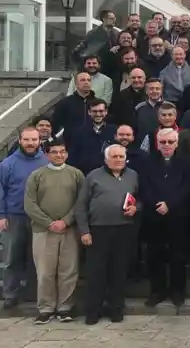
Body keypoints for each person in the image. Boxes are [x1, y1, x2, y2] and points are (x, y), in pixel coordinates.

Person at [75, 144, 140, 324]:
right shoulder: (93, 176)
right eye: (114, 157)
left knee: (118, 272)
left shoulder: (133, 175)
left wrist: (136, 208)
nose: (118, 160)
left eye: (121, 156)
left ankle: (116, 310)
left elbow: (140, 200)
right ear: (106, 159)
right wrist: (84, 231)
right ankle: (92, 312)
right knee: (96, 273)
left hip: (123, 229)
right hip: (98, 230)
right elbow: (81, 206)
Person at [23, 139, 84, 324]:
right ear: (47, 154)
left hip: (69, 230)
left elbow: (81, 202)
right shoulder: (36, 175)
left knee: (68, 270)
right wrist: (49, 223)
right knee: (45, 271)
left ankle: (65, 307)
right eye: (55, 152)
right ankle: (45, 308)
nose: (59, 155)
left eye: (62, 152)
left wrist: (66, 221)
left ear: (66, 153)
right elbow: (29, 203)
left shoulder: (76, 174)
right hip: (43, 230)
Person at [139, 128, 190, 307]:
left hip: (177, 216)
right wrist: (157, 203)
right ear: (157, 143)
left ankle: (177, 291)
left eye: (170, 142)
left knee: (178, 256)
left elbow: (187, 188)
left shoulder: (186, 163)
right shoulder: (147, 162)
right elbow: (144, 187)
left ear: (177, 143)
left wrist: (169, 204)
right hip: (153, 216)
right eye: (163, 142)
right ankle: (158, 291)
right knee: (154, 256)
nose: (167, 145)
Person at [0, 127, 48, 309]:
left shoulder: (46, 162)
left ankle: (37, 294)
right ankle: (10, 294)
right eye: (27, 140)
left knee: (37, 258)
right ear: (20, 140)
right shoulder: (7, 164)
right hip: (14, 216)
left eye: (34, 140)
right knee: (11, 258)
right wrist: (1, 215)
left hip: (40, 218)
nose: (31, 143)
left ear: (40, 141)